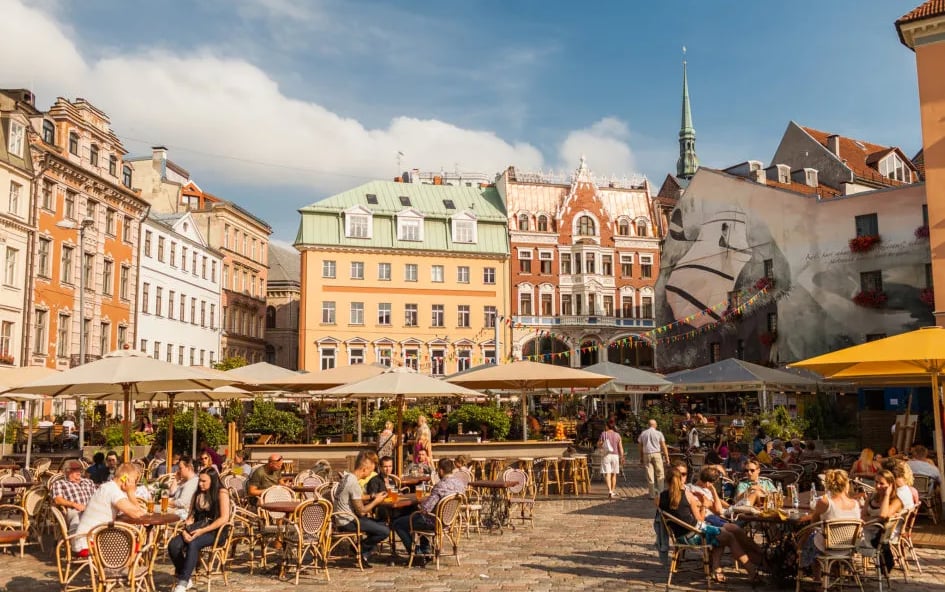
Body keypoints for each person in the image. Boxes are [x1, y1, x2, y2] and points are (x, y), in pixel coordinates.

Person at [658, 466, 760, 584]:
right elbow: (700, 520)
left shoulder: (659, 497)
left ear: (667, 480)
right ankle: (752, 573)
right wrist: (704, 506)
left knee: (721, 536)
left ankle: (716, 569)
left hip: (679, 537)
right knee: (729, 537)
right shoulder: (688, 495)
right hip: (696, 535)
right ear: (681, 479)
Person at [392, 458, 466, 565]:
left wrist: (419, 503)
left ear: (440, 471)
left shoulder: (440, 486)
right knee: (418, 518)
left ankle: (417, 554)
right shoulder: (460, 484)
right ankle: (425, 549)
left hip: (434, 523)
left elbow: (425, 509)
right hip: (449, 522)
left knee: (399, 523)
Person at [168, 468, 231, 592]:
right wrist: (185, 530)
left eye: (204, 481)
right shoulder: (198, 493)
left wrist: (202, 531)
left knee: (193, 543)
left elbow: (224, 518)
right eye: (199, 481)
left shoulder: (221, 493)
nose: (200, 484)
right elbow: (190, 516)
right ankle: (185, 576)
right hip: (197, 527)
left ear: (212, 481)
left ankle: (183, 582)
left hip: (216, 531)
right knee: (173, 545)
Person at [798, 469, 862, 576]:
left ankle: (817, 579)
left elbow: (812, 525)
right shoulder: (855, 503)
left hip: (827, 547)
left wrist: (801, 542)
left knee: (811, 539)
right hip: (848, 546)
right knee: (816, 537)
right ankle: (837, 575)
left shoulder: (825, 502)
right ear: (846, 484)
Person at [73, 463, 145, 554]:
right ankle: (125, 568)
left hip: (86, 540)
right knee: (137, 545)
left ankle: (122, 567)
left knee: (133, 542)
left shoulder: (108, 487)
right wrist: (131, 492)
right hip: (88, 544)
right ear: (126, 479)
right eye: (134, 481)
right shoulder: (113, 491)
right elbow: (137, 514)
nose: (135, 485)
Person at [332, 452, 389, 567]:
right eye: (370, 471)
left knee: (381, 524)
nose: (371, 474)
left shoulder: (348, 477)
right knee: (384, 531)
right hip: (348, 521)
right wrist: (376, 501)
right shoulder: (353, 483)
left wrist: (373, 496)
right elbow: (362, 511)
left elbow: (356, 497)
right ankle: (359, 550)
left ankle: (362, 553)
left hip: (342, 518)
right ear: (364, 469)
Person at [51, 459, 97, 533]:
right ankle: (75, 541)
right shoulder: (60, 483)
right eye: (75, 470)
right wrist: (74, 504)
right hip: (74, 510)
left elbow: (96, 497)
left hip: (91, 510)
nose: (79, 472)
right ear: (67, 471)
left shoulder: (88, 481)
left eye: (80, 469)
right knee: (77, 523)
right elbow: (57, 500)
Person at [638, 419, 670, 499]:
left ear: (648, 425)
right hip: (657, 454)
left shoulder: (643, 433)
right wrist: (667, 457)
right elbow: (663, 446)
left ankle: (652, 495)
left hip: (647, 454)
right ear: (655, 425)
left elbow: (640, 447)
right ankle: (660, 493)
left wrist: (641, 457)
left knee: (650, 475)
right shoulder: (659, 433)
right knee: (660, 474)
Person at [598, 420, 624, 498]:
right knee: (614, 474)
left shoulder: (603, 434)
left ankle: (609, 490)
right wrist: (622, 457)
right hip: (615, 456)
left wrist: (601, 444)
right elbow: (620, 447)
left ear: (607, 426)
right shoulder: (618, 435)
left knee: (607, 473)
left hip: (606, 455)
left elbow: (599, 444)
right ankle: (612, 491)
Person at [169, 455, 200, 520]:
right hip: (174, 509)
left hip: (181, 514)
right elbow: (171, 493)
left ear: (188, 468)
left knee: (151, 510)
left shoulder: (192, 482)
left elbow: (182, 502)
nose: (178, 470)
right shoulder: (185, 480)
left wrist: (167, 502)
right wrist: (176, 479)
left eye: (180, 468)